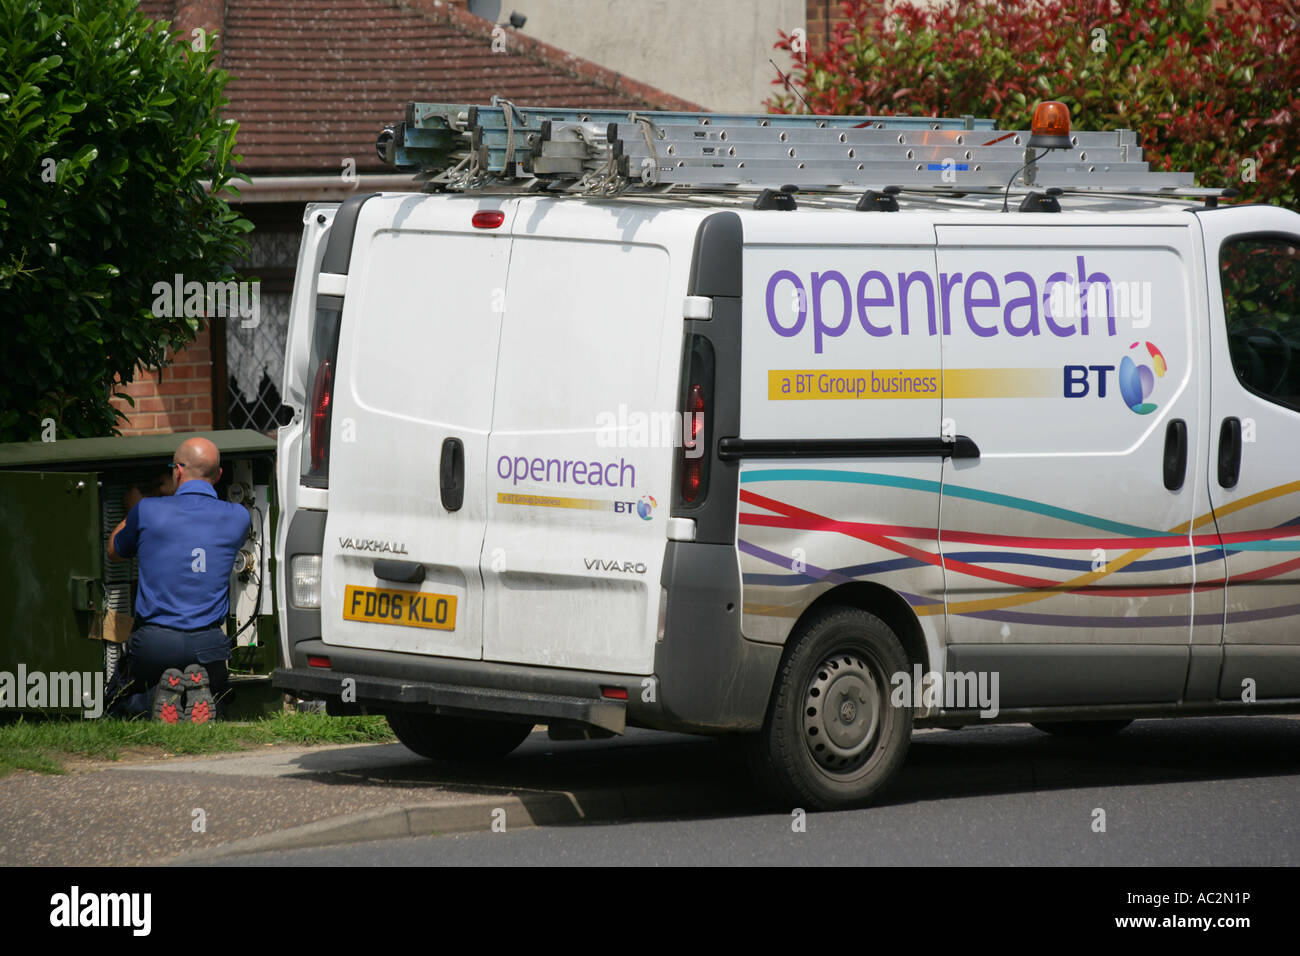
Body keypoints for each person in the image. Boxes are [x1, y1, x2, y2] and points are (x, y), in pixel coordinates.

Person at [105, 437, 251, 722]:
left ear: (177, 471)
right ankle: (201, 692)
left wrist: (134, 510)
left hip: (155, 645)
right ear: (219, 475)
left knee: (127, 695)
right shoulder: (238, 517)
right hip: (209, 646)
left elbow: (114, 551)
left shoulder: (147, 510)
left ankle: (156, 697)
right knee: (214, 688)